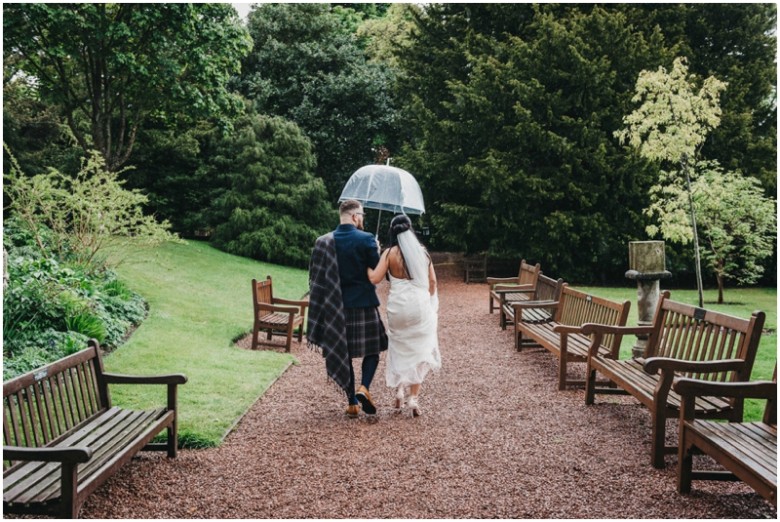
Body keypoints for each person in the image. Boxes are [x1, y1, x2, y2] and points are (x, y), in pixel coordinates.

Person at [307, 199, 388, 418]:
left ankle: (352, 402)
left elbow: (316, 280)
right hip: (364, 304)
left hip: (336, 309)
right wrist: (376, 250)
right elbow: (377, 274)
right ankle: (364, 388)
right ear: (355, 216)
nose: (362, 219)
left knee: (345, 354)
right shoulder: (367, 239)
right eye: (361, 216)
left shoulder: (323, 241)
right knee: (374, 350)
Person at [368, 214, 440, 417]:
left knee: (398, 347)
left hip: (397, 309)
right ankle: (413, 399)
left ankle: (399, 390)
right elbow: (433, 283)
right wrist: (427, 302)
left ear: (392, 232)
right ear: (410, 231)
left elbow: (374, 278)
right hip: (419, 307)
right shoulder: (423, 253)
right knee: (419, 350)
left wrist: (369, 259)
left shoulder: (389, 253)